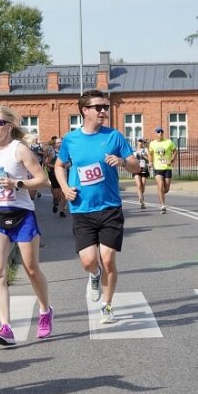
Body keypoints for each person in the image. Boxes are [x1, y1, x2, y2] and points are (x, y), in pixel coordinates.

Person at [54, 90, 138, 324]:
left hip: (110, 207)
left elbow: (136, 166)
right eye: (98, 107)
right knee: (89, 261)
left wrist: (122, 161)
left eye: (105, 107)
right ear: (85, 110)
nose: (103, 111)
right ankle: (94, 274)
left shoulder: (114, 136)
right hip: (82, 208)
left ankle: (107, 306)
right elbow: (59, 166)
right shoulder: (71, 139)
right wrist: (64, 188)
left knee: (108, 258)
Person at [0, 105, 52, 345]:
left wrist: (16, 183)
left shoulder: (20, 151)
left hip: (21, 215)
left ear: (9, 126)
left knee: (31, 269)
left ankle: (45, 310)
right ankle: (5, 327)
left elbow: (43, 180)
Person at [148, 127, 177, 214]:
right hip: (157, 168)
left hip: (167, 168)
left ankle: (160, 195)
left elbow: (175, 151)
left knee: (166, 189)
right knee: (160, 185)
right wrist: (150, 162)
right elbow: (150, 153)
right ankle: (163, 205)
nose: (160, 133)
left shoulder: (168, 142)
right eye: (158, 132)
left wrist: (172, 160)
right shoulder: (152, 144)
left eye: (161, 131)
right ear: (155, 133)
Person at [45, 136, 67, 218]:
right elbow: (47, 163)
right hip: (54, 174)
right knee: (57, 194)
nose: (59, 144)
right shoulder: (52, 152)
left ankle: (62, 211)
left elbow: (70, 162)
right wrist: (56, 166)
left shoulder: (66, 152)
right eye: (57, 143)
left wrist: (68, 165)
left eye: (61, 143)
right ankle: (56, 202)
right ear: (54, 144)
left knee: (64, 193)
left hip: (65, 174)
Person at [133, 137, 151, 209]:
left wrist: (144, 156)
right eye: (139, 141)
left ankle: (141, 196)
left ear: (143, 142)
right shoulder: (133, 150)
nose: (140, 142)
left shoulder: (145, 150)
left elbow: (149, 158)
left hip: (144, 168)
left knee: (143, 186)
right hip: (136, 169)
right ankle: (141, 202)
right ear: (137, 142)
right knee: (139, 185)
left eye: (142, 141)